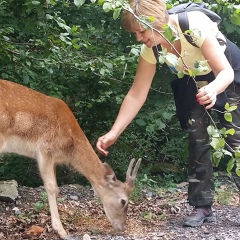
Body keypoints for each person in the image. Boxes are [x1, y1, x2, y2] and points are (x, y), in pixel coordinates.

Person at [96, 0, 240, 227]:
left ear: (158, 20)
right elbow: (137, 93)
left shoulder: (194, 25)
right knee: (197, 138)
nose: (138, 38)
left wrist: (213, 90)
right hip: (193, 81)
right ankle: (202, 206)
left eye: (141, 30)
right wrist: (114, 132)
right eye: (135, 33)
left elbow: (225, 71)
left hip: (227, 75)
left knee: (235, 140)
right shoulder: (151, 47)